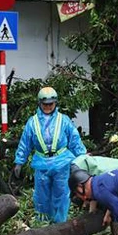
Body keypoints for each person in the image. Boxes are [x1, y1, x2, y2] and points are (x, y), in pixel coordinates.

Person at [13, 87, 86, 223]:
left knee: (61, 194)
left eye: (50, 104)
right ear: (39, 103)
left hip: (61, 162)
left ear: (55, 103)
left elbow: (74, 140)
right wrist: (19, 161)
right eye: (45, 104)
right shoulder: (32, 122)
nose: (47, 107)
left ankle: (60, 225)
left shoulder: (63, 120)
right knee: (42, 196)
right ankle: (42, 225)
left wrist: (83, 158)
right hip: (42, 162)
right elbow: (25, 143)